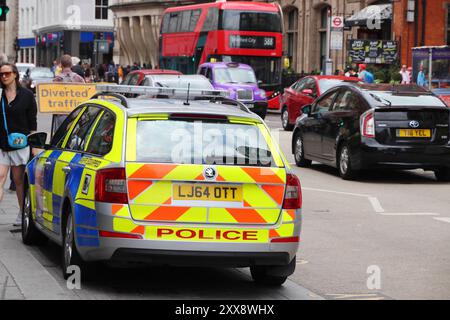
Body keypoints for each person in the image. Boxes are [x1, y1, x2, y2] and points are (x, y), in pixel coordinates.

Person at [0, 62, 38, 226]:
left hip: (20, 145)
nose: (4, 76)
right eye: (1, 74)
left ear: (15, 74)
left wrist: (35, 146)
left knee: (18, 180)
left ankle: (22, 212)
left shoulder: (27, 95)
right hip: (1, 144)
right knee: (0, 177)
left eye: (7, 73)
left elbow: (32, 122)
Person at [53, 54, 85, 129]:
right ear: (71, 65)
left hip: (61, 113)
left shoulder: (56, 80)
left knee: (60, 137)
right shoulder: (79, 79)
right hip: (76, 113)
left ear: (61, 65)